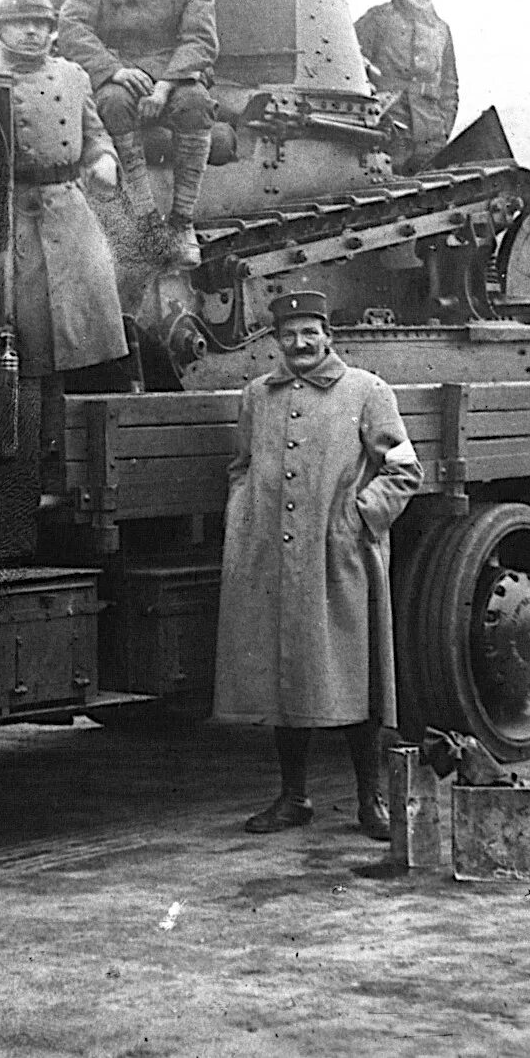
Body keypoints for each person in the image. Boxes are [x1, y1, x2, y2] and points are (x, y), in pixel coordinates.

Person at [213, 291, 423, 841]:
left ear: (329, 334)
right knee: (287, 684)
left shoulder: (367, 391)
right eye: (288, 335)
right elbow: (242, 466)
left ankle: (369, 801)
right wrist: (245, 518)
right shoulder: (258, 395)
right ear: (276, 341)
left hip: (341, 561)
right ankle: (292, 797)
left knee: (356, 682)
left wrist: (360, 517)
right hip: (274, 564)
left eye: (310, 332)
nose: (300, 344)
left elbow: (404, 469)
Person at [56, 0, 219, 269]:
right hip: (118, 68)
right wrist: (114, 70)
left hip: (174, 73)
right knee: (111, 103)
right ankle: (146, 221)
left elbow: (201, 38)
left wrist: (163, 87)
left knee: (196, 104)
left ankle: (181, 222)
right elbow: (73, 26)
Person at [0, 0, 131, 386]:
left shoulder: (72, 75)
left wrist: (103, 158)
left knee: (87, 312)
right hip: (11, 209)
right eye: (21, 23)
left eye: (41, 24)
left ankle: (87, 400)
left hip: (68, 208)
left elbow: (94, 132)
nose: (32, 32)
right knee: (23, 319)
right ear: (0, 29)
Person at [353, 0, 460, 171]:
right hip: (389, 127)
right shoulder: (379, 19)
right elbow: (352, 67)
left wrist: (443, 128)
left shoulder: (441, 30)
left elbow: (449, 87)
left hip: (430, 133)